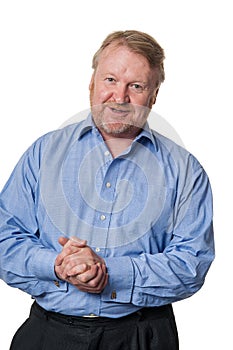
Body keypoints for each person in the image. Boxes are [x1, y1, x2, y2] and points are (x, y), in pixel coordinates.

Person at [0, 30, 214, 350]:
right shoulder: (43, 153)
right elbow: (4, 239)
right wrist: (57, 266)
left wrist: (108, 272)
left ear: (154, 95)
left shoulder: (186, 170)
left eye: (136, 86)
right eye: (110, 80)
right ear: (92, 83)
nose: (120, 96)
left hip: (142, 336)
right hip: (48, 334)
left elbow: (191, 264)